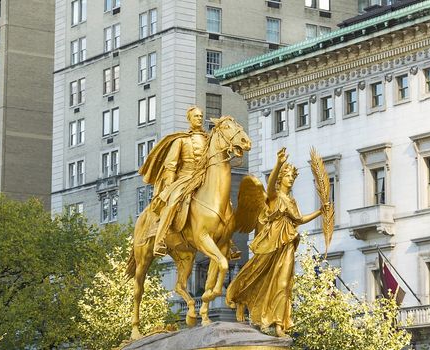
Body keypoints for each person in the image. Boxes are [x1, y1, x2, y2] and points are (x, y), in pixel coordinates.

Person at [226, 147, 328, 337]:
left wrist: (320, 212)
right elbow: (271, 184)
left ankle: (279, 324)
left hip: (287, 245)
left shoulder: (291, 201)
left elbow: (299, 220)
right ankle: (240, 297)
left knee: (283, 283)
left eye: (293, 177)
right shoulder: (274, 197)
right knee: (256, 272)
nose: (291, 179)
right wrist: (279, 163)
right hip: (271, 244)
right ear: (282, 177)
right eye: (288, 176)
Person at [139, 106, 209, 257]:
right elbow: (171, 164)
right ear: (189, 119)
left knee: (223, 202)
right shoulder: (181, 140)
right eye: (196, 116)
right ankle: (160, 239)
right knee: (172, 203)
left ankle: (227, 241)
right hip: (184, 178)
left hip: (203, 178)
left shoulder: (208, 140)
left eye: (201, 116)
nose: (199, 118)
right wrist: (170, 185)